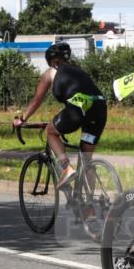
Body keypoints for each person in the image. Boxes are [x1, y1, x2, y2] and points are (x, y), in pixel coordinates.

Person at [13, 42, 107, 189]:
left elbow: (37, 100)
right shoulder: (78, 70)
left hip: (80, 109)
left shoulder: (51, 72)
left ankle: (66, 168)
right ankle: (89, 206)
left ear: (52, 61)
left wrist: (22, 119)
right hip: (100, 109)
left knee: (50, 131)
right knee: (86, 160)